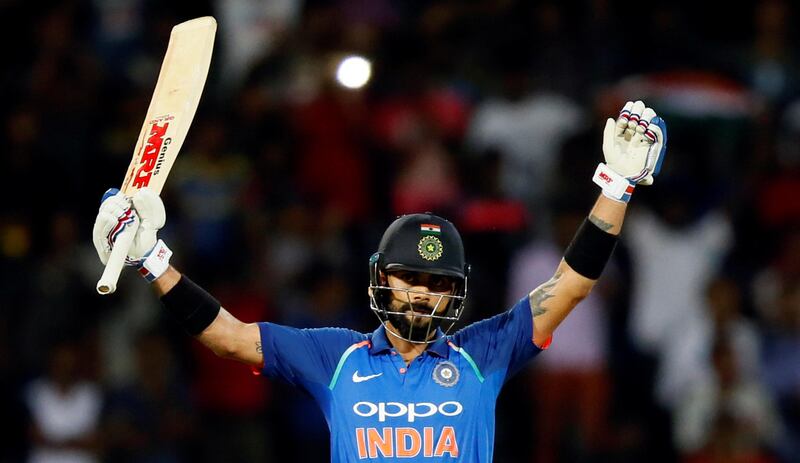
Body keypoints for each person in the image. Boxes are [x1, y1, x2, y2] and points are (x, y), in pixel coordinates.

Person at [92, 100, 667, 462]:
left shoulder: (484, 352)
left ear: (456, 291)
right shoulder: (335, 357)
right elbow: (229, 337)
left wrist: (617, 184)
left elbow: (571, 285)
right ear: (382, 280)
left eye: (435, 282)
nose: (421, 291)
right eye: (410, 277)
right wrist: (153, 262)